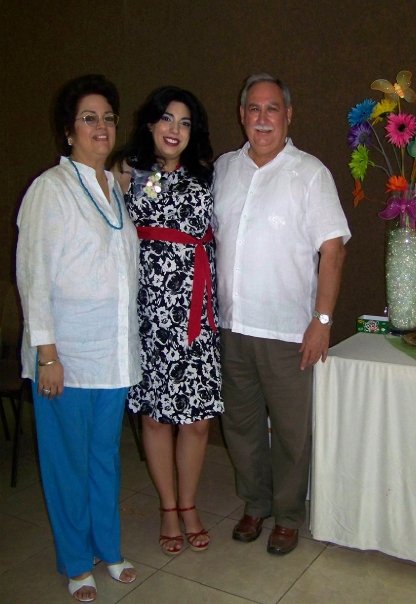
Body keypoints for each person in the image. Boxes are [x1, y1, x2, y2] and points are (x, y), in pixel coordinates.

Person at [213, 73, 351, 555]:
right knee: (241, 426)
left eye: (272, 108)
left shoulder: (310, 173)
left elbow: (333, 251)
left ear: (288, 115)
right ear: (242, 115)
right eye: (254, 108)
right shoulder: (224, 169)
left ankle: (288, 515)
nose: (262, 118)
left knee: (292, 432)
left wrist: (323, 321)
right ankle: (256, 504)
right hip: (232, 327)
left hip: (288, 331)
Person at [16, 74, 141, 602]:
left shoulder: (115, 188)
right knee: (68, 463)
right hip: (65, 356)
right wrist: (47, 355)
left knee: (104, 458)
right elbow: (34, 277)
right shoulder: (50, 189)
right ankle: (75, 561)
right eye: (89, 118)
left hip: (113, 354)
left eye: (108, 117)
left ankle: (107, 548)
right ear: (68, 131)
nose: (101, 126)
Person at [113, 86, 223, 556]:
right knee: (156, 418)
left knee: (197, 422)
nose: (175, 129)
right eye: (167, 119)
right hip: (150, 315)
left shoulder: (209, 175)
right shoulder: (128, 173)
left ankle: (190, 503)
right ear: (150, 124)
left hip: (197, 314)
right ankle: (168, 508)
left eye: (185, 122)